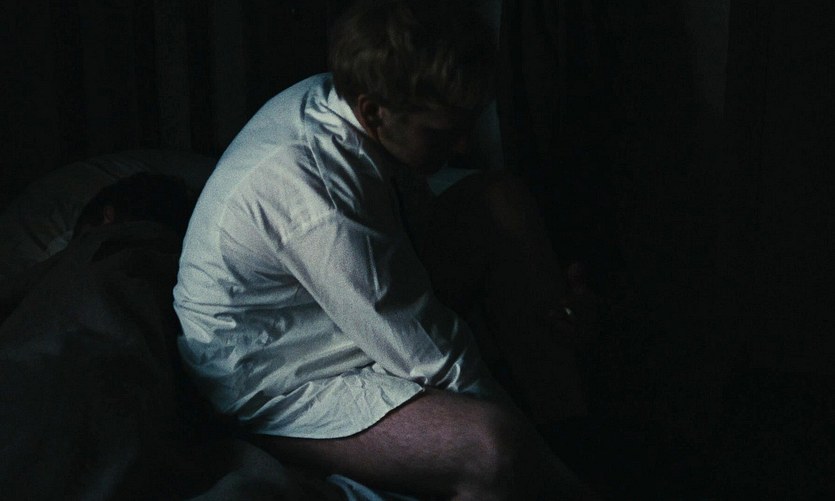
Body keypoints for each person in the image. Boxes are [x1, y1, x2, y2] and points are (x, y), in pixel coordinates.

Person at [173, 1, 598, 499]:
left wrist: (544, 300)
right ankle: (568, 467)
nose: (464, 146)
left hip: (331, 310)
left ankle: (572, 430)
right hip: (279, 376)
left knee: (499, 200)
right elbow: (427, 354)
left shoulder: (354, 102)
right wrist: (538, 463)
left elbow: (407, 247)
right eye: (443, 133)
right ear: (374, 112)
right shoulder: (317, 195)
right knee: (491, 450)